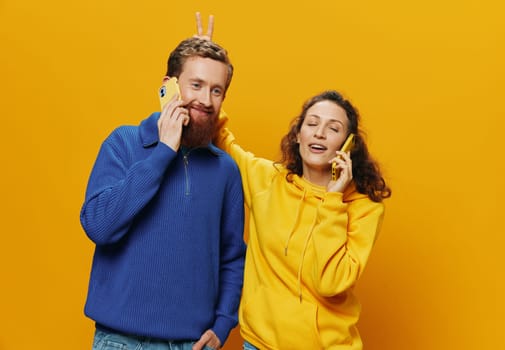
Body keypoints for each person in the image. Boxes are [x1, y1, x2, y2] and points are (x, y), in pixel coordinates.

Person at [79, 16, 246, 350]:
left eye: (217, 90)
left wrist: (224, 323)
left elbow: (232, 257)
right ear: (168, 86)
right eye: (195, 85)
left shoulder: (224, 170)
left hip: (191, 344)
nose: (207, 100)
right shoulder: (124, 143)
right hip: (121, 341)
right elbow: (98, 226)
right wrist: (162, 153)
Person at [215, 90, 392, 349]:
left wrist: (333, 199)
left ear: (348, 145)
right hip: (259, 344)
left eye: (333, 128)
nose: (319, 133)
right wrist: (190, 86)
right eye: (312, 124)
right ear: (298, 135)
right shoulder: (268, 180)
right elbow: (221, 139)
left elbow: (330, 282)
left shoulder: (364, 209)